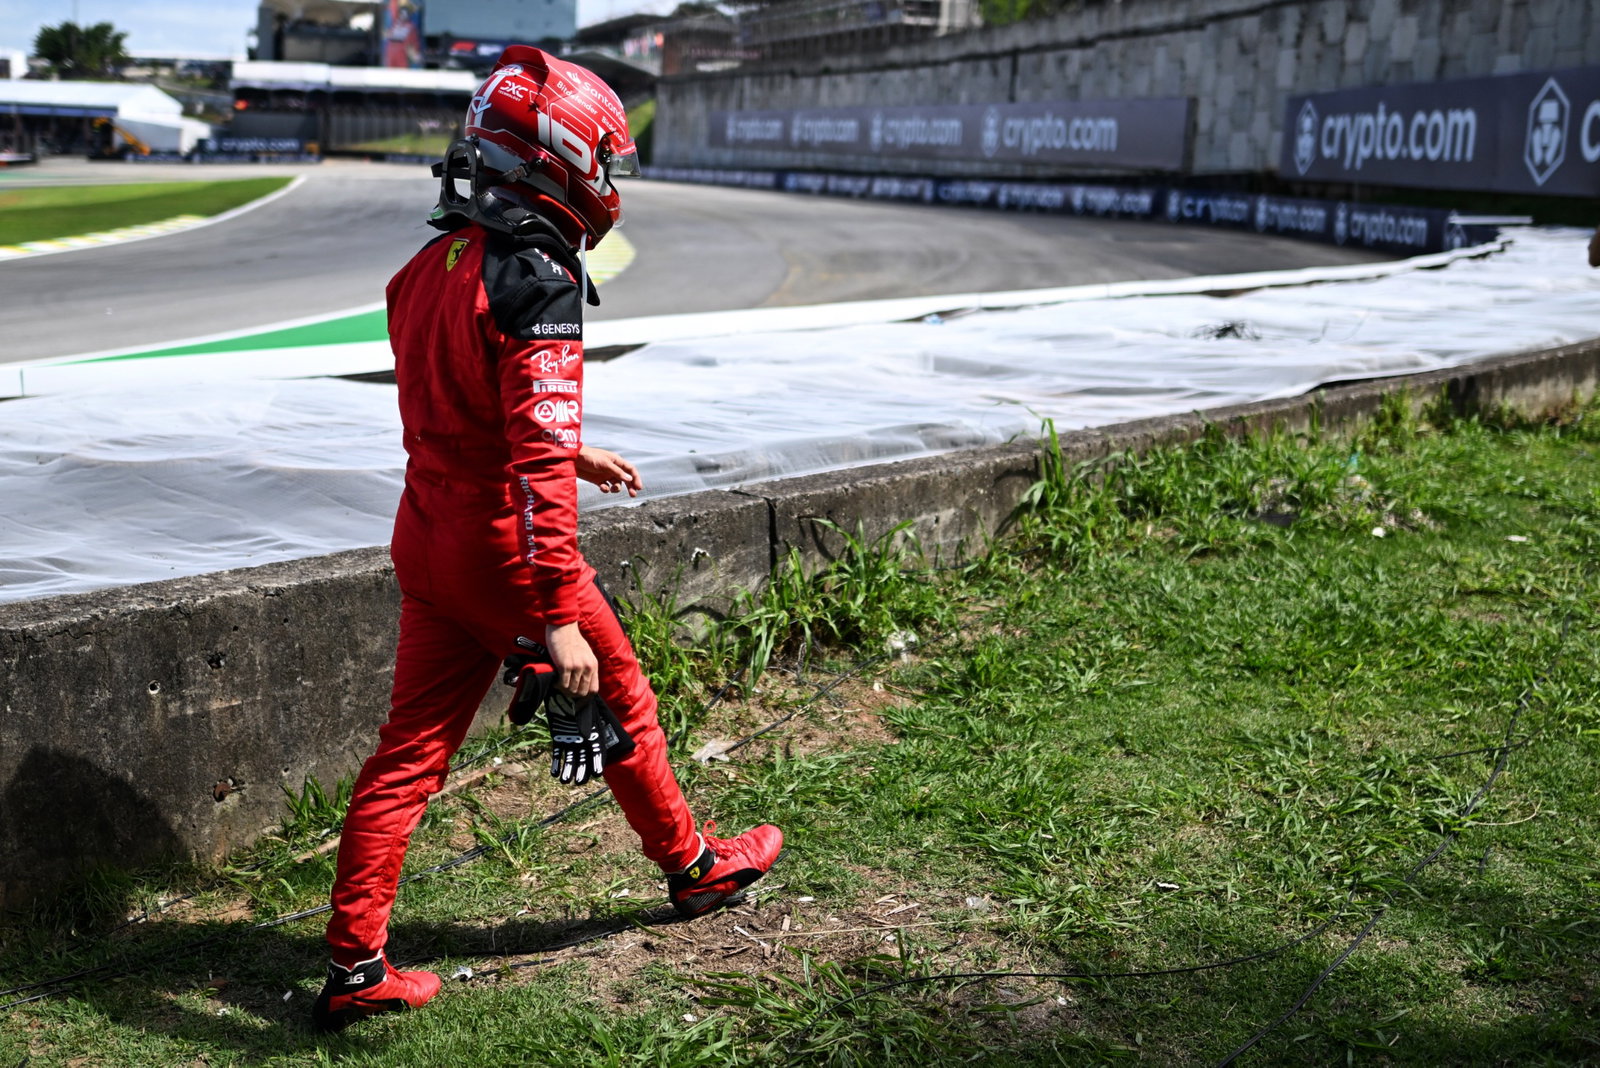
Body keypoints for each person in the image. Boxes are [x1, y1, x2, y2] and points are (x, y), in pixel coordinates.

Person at [311, 47, 782, 1033]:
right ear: (561, 158)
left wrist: (574, 452)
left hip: (426, 537)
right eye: (604, 156)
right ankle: (694, 870)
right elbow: (523, 463)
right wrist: (558, 615)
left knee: (408, 753)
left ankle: (357, 964)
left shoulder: (424, 266)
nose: (611, 177)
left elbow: (462, 416)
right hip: (504, 556)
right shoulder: (537, 275)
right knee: (623, 700)